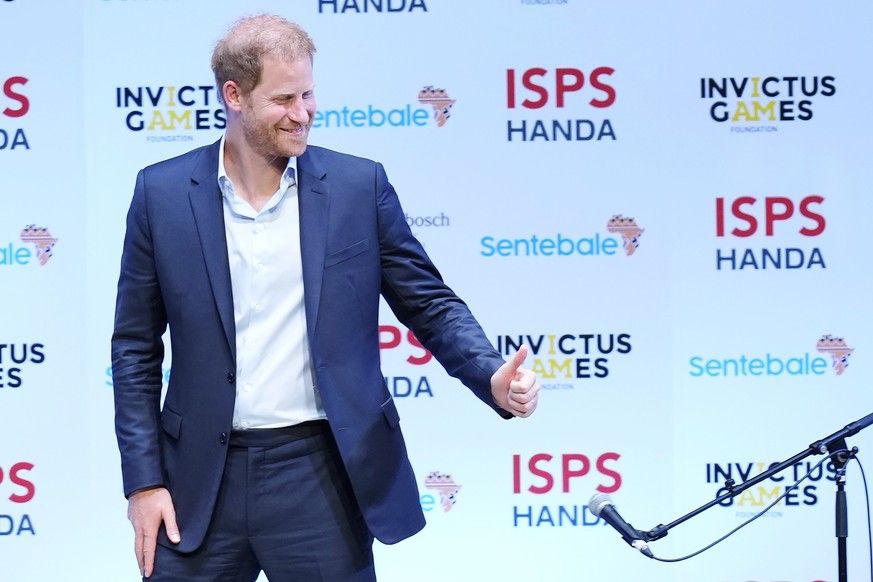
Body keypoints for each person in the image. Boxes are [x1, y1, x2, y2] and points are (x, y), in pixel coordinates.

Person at [111, 13, 540, 581]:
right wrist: (144, 481)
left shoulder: (358, 187)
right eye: (284, 98)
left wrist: (489, 374)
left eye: (309, 93)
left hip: (322, 477)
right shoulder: (161, 194)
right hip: (197, 483)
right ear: (234, 96)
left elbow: (428, 303)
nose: (303, 112)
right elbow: (136, 348)